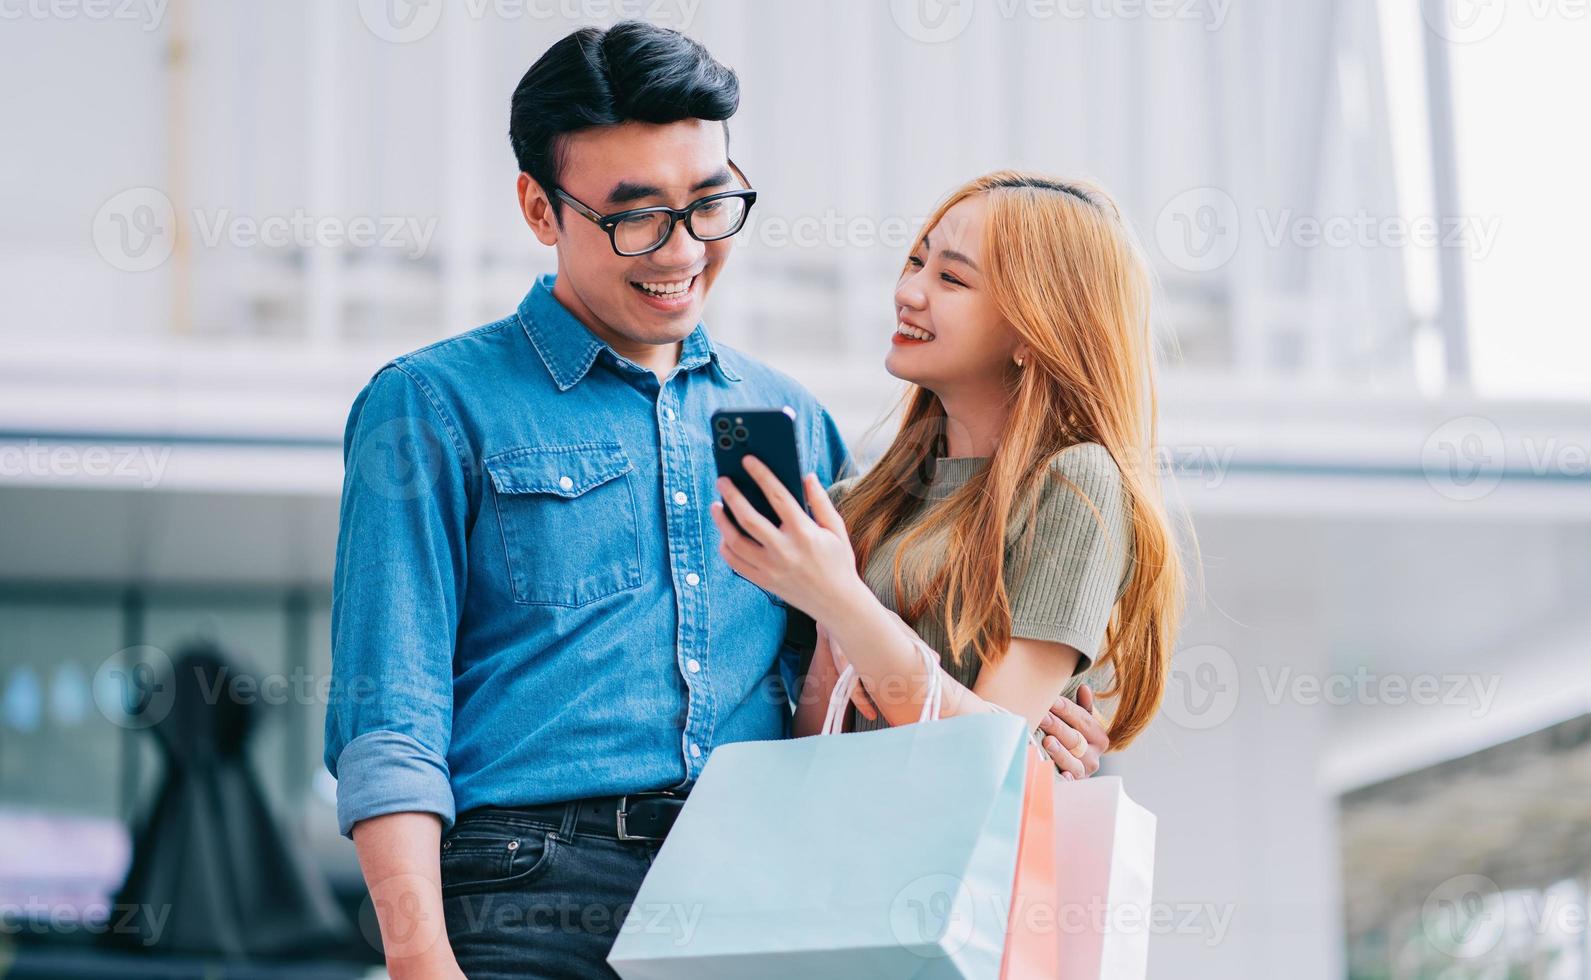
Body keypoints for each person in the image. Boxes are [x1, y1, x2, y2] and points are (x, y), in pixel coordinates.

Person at [324, 24, 1104, 980]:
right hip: (528, 891)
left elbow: (832, 696)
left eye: (709, 204)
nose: (682, 249)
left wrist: (1021, 729)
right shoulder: (433, 407)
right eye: (636, 217)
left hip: (751, 891)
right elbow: (387, 716)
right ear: (539, 208)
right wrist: (418, 959)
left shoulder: (786, 420)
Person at [714, 171, 1184, 756]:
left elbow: (985, 750)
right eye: (915, 261)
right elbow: (815, 746)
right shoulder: (857, 507)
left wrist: (844, 602)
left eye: (952, 278)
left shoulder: (1075, 482)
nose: (908, 292)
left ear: (1034, 331)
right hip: (854, 840)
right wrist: (837, 623)